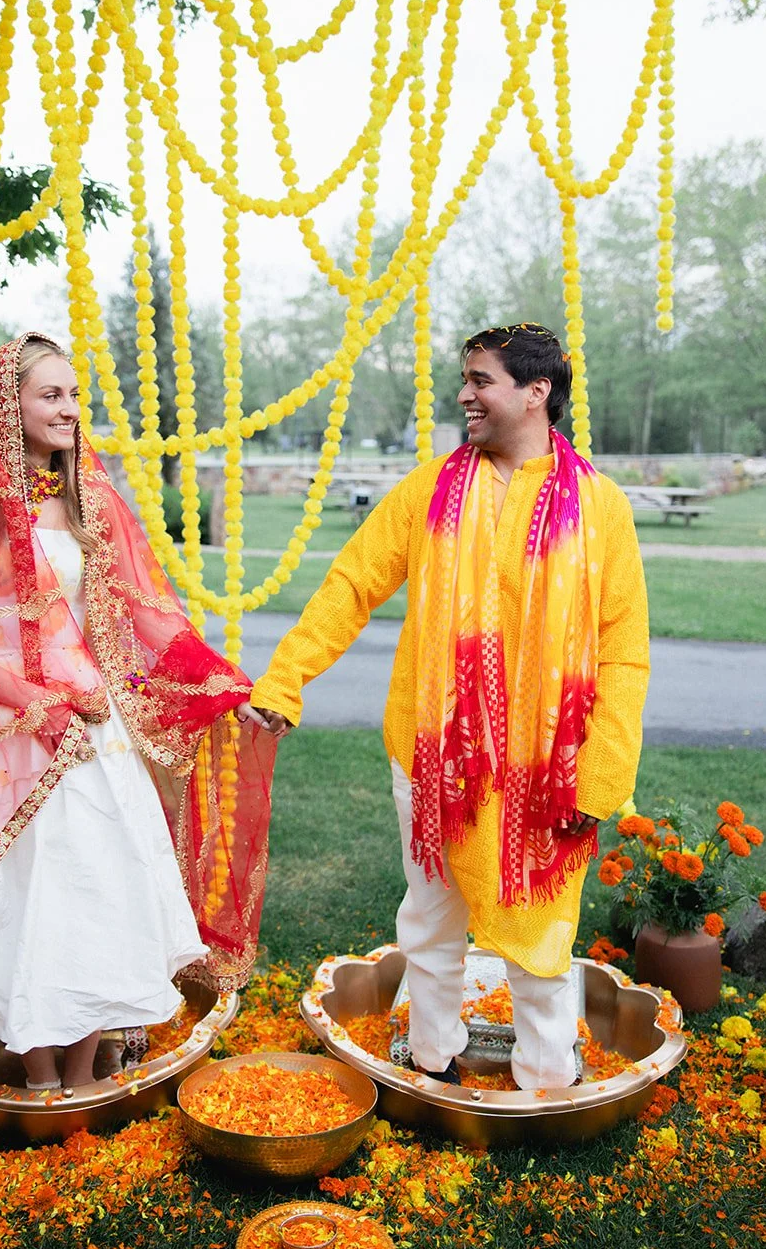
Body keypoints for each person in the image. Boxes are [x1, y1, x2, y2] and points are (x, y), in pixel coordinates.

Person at [241, 324, 649, 1091]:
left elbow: (623, 650)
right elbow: (350, 587)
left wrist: (600, 772)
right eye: (464, 379)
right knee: (430, 921)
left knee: (541, 928)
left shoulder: (599, 509)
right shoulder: (429, 490)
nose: (464, 394)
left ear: (536, 393)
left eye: (480, 380)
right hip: (434, 755)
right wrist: (284, 678)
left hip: (547, 768)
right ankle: (432, 1060)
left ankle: (544, 1078)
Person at [0, 333, 274, 1092]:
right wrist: (34, 701)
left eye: (72, 395)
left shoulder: (87, 500)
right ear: (8, 406)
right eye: (50, 396)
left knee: (101, 886)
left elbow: (149, 616)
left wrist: (226, 685)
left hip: (93, 726)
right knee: (27, 899)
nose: (68, 410)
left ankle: (90, 1067)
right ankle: (35, 1074)